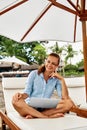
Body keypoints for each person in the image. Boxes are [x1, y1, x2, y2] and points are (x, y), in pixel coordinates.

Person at [12, 53, 75, 119]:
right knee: (15, 101)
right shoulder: (34, 74)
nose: (50, 65)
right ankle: (46, 116)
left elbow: (64, 98)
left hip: (44, 108)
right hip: (29, 107)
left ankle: (34, 115)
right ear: (45, 61)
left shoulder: (56, 79)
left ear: (57, 66)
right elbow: (27, 93)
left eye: (53, 64)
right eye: (48, 62)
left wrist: (62, 79)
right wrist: (21, 96)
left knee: (68, 103)